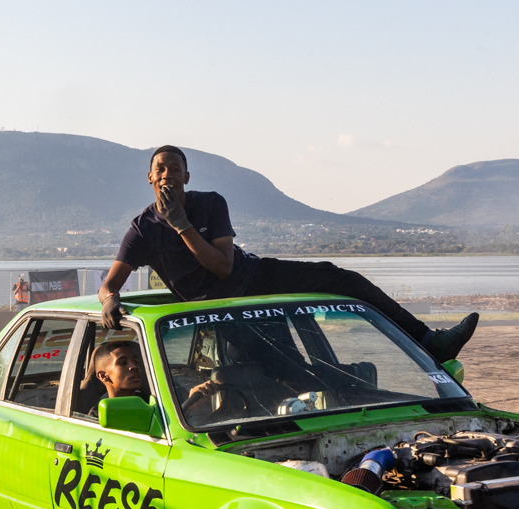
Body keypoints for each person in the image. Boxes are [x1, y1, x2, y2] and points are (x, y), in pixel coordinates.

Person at [99, 146, 479, 363]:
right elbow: (109, 285)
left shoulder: (210, 204)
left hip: (253, 276)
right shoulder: (142, 229)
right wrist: (109, 299)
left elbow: (224, 266)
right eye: (160, 169)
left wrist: (181, 224)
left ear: (186, 177)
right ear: (150, 178)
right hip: (216, 307)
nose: (167, 174)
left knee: (339, 277)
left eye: (175, 169)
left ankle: (429, 343)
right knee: (286, 365)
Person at [76, 341, 148, 417]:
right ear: (103, 376)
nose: (134, 366)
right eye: (123, 363)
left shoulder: (156, 403)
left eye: (136, 362)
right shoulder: (99, 416)